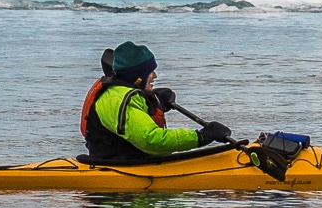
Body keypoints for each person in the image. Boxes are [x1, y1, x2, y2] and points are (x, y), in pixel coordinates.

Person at [82, 41, 231, 163]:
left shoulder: (117, 91)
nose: (155, 75)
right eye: (150, 71)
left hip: (126, 161)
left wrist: (155, 101)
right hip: (121, 169)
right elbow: (152, 140)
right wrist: (201, 136)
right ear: (137, 76)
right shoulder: (120, 99)